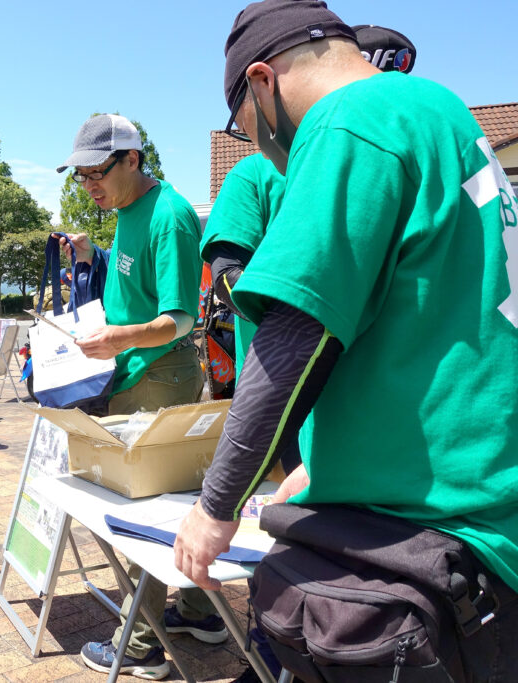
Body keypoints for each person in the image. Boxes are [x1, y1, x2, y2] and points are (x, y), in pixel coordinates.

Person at [174, 2, 518, 679]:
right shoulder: (441, 111)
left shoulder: (349, 120)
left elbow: (298, 333)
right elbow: (428, 319)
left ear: (263, 81)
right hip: (485, 508)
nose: (264, 150)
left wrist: (214, 507)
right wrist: (322, 457)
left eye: (250, 130)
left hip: (426, 537)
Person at [56, 113, 213, 680]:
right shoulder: (127, 210)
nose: (90, 184)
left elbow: (179, 316)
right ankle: (200, 613)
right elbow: (136, 286)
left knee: (142, 511)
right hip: (137, 371)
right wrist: (90, 256)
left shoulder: (168, 216)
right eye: (81, 176)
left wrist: (120, 338)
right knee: (172, 501)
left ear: (133, 160)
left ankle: (142, 644)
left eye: (98, 172)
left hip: (157, 372)